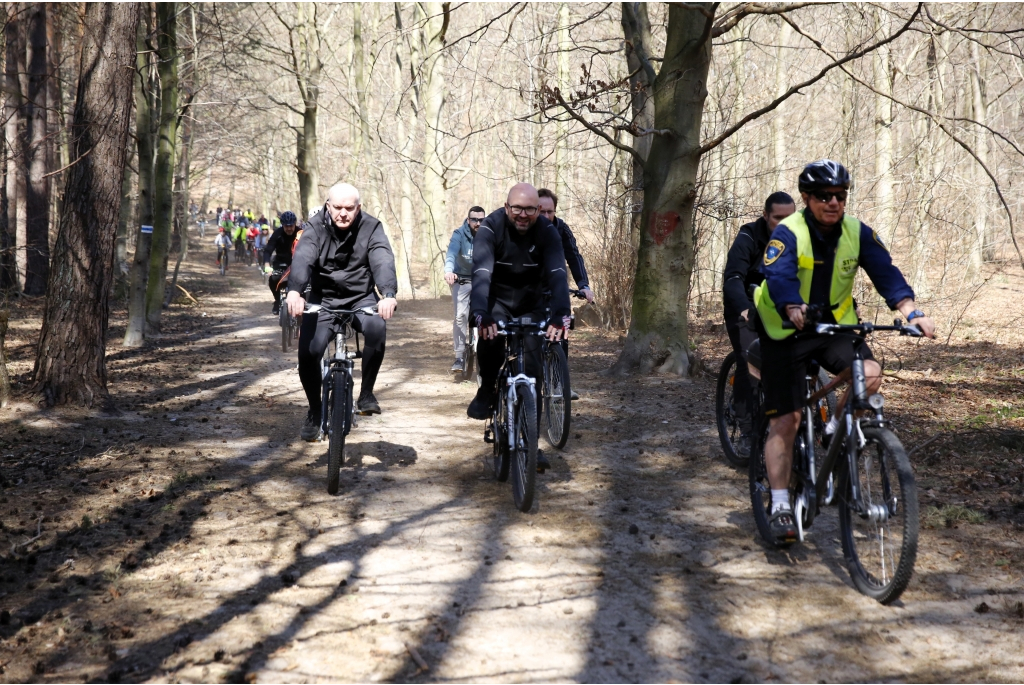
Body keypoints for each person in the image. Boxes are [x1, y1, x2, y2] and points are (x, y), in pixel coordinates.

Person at [753, 160, 935, 543]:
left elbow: (886, 272)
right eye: (824, 196)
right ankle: (782, 503)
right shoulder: (789, 232)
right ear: (807, 198)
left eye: (840, 195)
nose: (833, 203)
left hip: (835, 327)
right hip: (786, 328)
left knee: (869, 374)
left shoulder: (857, 232)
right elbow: (779, 274)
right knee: (786, 421)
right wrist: (792, 306)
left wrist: (911, 312)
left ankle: (835, 430)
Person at [467, 183, 572, 472]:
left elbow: (557, 274)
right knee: (490, 341)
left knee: (533, 372)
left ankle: (531, 444)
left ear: (538, 210)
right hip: (495, 299)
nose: (522, 215)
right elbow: (481, 272)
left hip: (530, 303)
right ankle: (488, 388)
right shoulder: (490, 228)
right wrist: (480, 314)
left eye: (529, 209)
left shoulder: (547, 232)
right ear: (506, 207)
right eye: (517, 208)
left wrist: (560, 314)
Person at [286, 183, 399, 441]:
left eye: (349, 208)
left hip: (361, 297)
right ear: (328, 206)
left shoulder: (372, 227)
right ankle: (315, 411)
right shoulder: (314, 228)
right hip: (323, 300)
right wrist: (295, 290)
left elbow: (382, 258)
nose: (343, 213)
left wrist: (388, 294)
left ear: (358, 208)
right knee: (308, 353)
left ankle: (367, 394)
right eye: (337, 207)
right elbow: (303, 258)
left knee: (377, 329)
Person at [722, 191, 796, 457]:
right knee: (750, 361)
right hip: (744, 307)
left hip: (780, 307)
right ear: (765, 216)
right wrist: (743, 307)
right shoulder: (749, 236)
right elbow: (732, 278)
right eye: (778, 218)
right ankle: (747, 430)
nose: (785, 224)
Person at [537, 188, 592, 400]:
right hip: (530, 291)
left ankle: (560, 384)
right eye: (541, 212)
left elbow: (574, 256)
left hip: (557, 289)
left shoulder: (561, 229)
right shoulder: (524, 229)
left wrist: (583, 285)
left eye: (549, 212)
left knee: (563, 332)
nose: (545, 217)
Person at [443, 206, 486, 374]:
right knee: (460, 315)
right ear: (468, 220)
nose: (478, 223)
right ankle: (459, 356)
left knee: (489, 314)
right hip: (461, 279)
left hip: (482, 280)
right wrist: (449, 271)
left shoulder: (489, 233)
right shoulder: (459, 234)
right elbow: (452, 253)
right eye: (474, 220)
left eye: (481, 220)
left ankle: (488, 354)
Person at [263, 211, 300, 315]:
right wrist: (267, 265)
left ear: (295, 224)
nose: (289, 229)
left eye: (291, 226)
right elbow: (268, 250)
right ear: (282, 225)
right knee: (273, 279)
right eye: (286, 226)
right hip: (280, 262)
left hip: (297, 262)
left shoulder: (300, 233)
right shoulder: (278, 233)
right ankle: (277, 300)